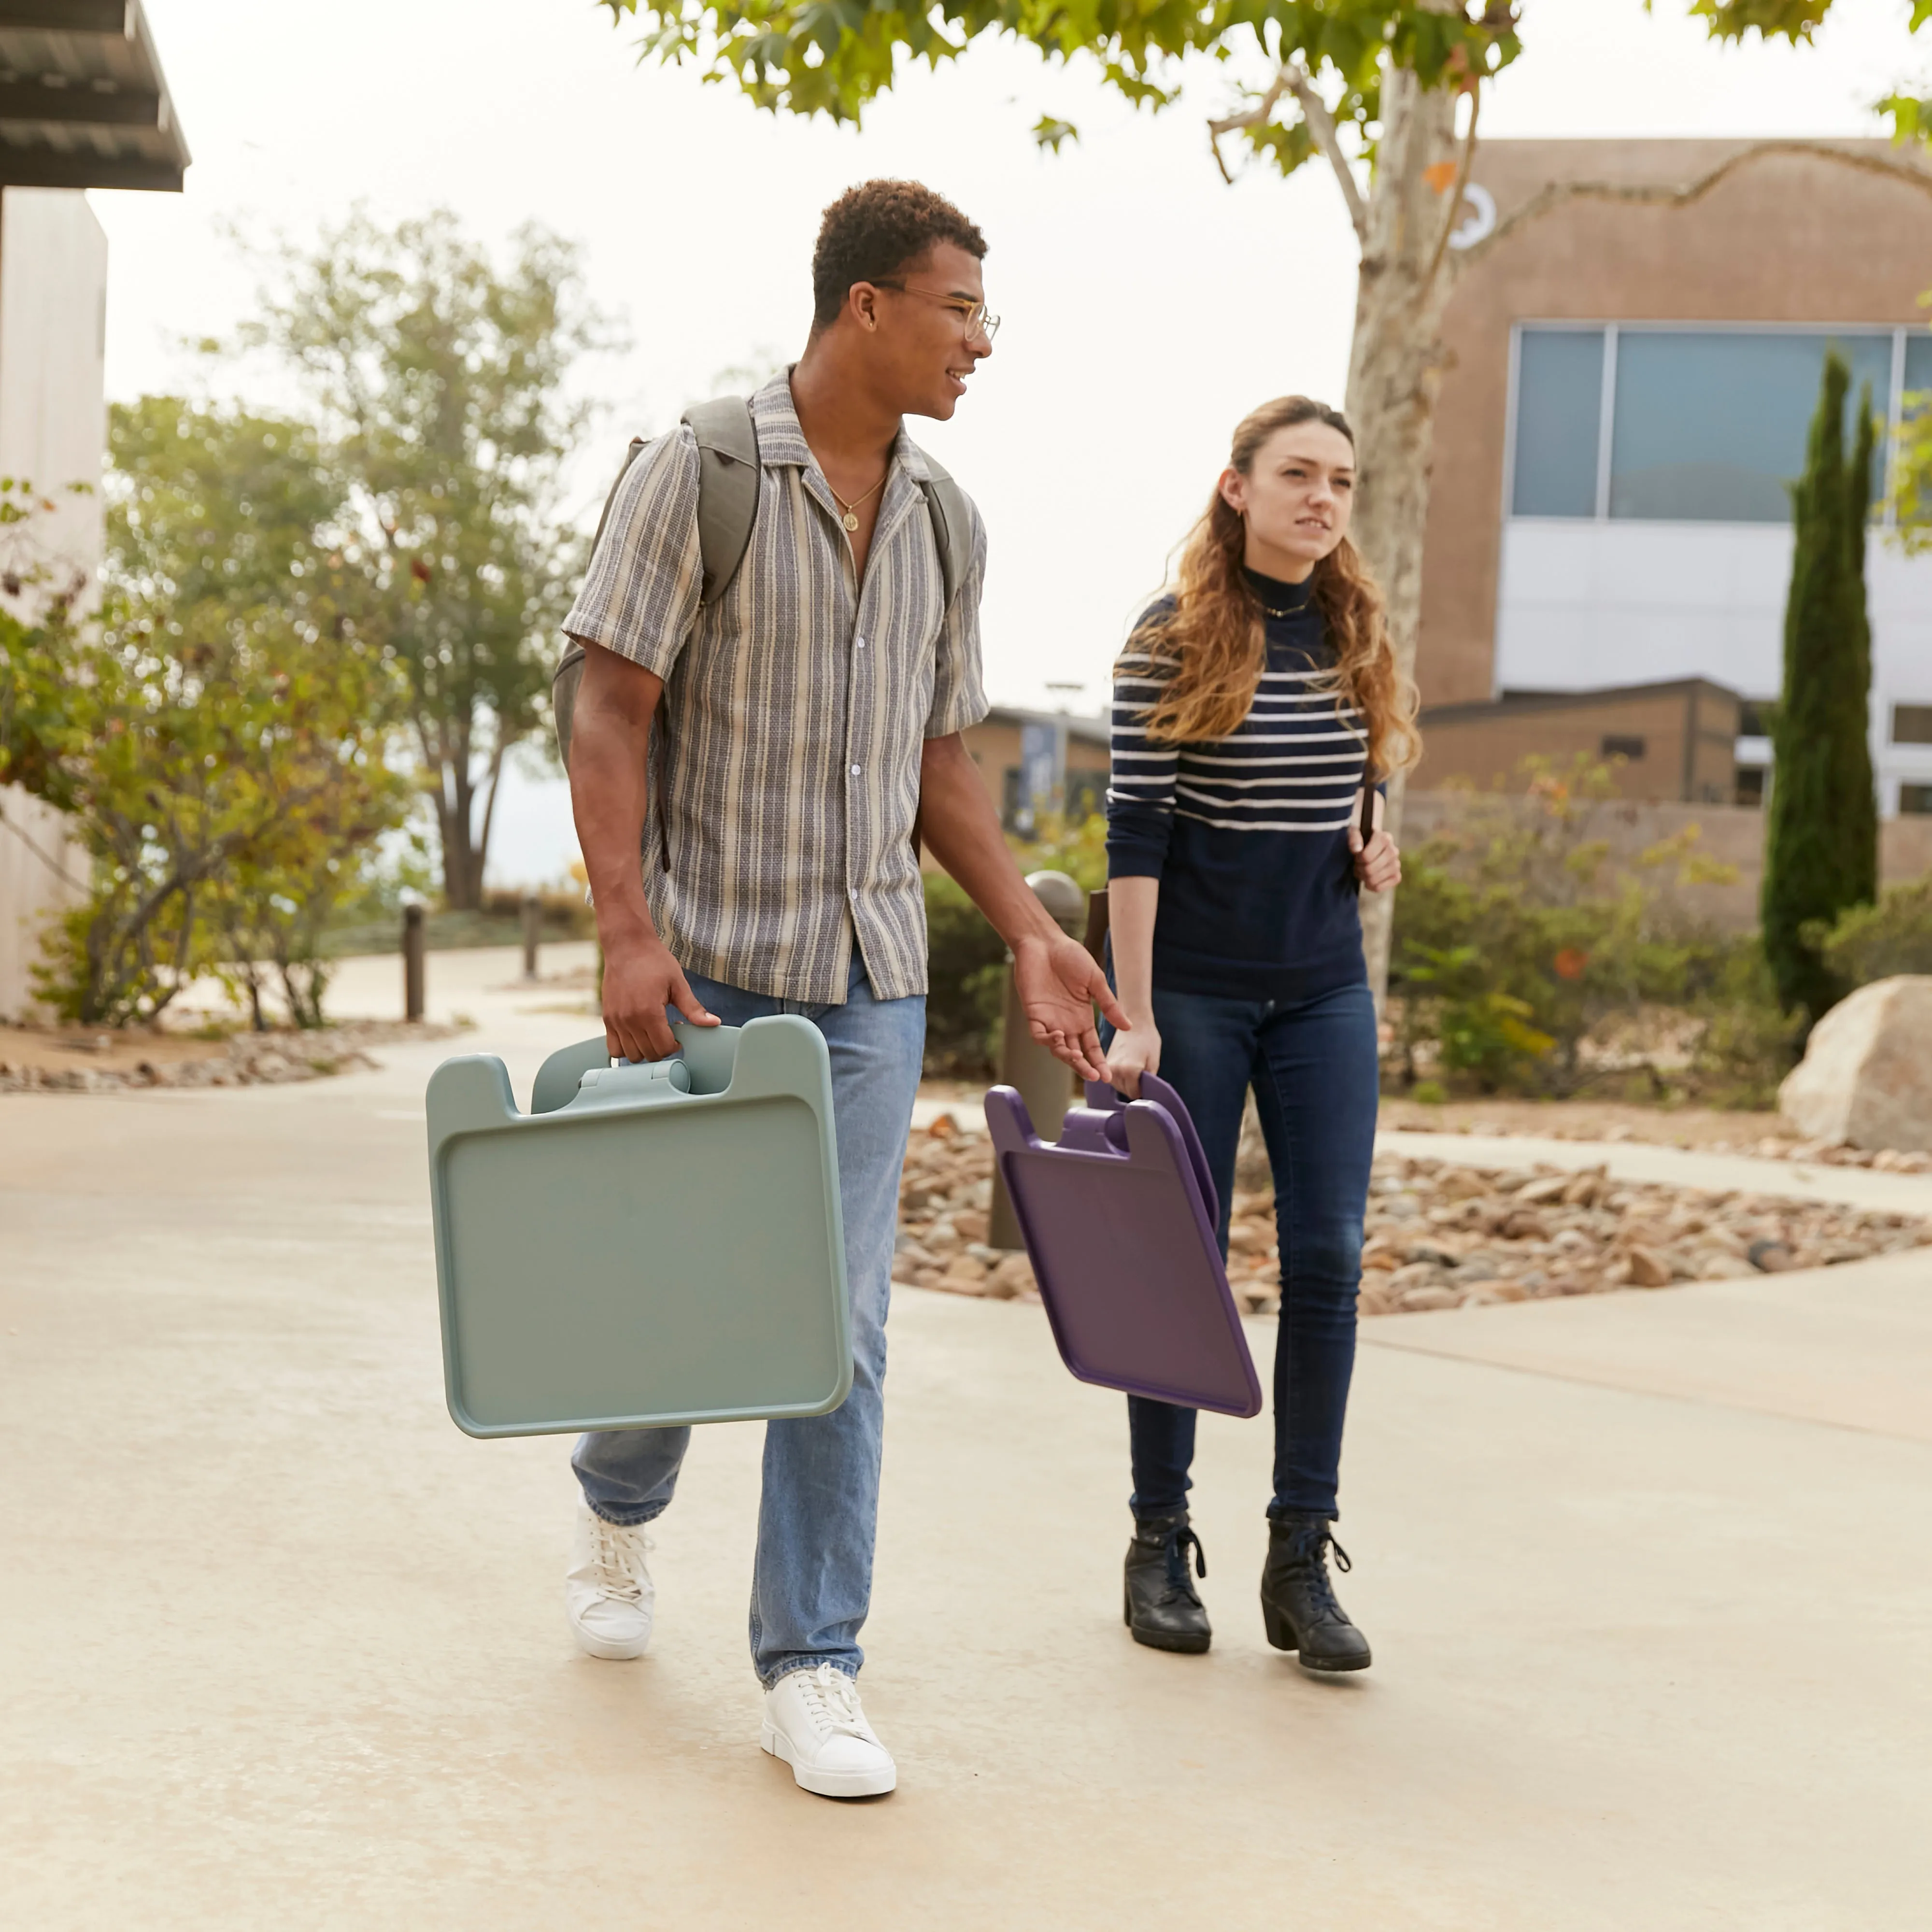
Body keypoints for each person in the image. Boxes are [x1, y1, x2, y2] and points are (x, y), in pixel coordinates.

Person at [559, 179, 1124, 1799]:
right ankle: (617, 1509)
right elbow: (611, 708)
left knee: (839, 1324)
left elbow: (942, 765)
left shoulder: (949, 517)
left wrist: (1020, 922)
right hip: (710, 964)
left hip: (870, 982)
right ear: (865, 305)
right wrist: (625, 929)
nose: (981, 345)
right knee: (686, 1310)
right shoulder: (703, 474)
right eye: (961, 311)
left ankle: (812, 1660)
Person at [1100, 394, 1418, 1671]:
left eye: (1340, 480)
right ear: (1237, 487)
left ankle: (1302, 1555)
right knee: (1179, 1262)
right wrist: (1133, 1017)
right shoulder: (1167, 637)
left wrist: (1376, 839)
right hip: (1194, 993)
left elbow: (1362, 784)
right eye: (1297, 474)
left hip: (1325, 989)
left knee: (1329, 1259)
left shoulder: (1355, 630)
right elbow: (1136, 836)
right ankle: (1160, 1537)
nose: (1322, 498)